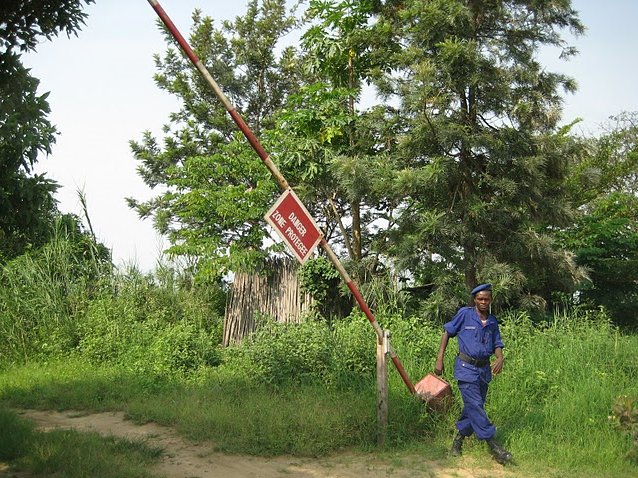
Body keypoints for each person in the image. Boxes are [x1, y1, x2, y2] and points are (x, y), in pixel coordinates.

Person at [434, 283, 513, 464]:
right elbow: (447, 333)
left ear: (491, 300)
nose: (483, 302)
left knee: (472, 407)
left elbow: (497, 343)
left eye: (486, 299)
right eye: (480, 299)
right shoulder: (465, 314)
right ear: (475, 300)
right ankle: (495, 447)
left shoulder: (493, 321)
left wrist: (500, 358)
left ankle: (457, 443)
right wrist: (440, 359)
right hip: (465, 368)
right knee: (476, 405)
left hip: (484, 370)